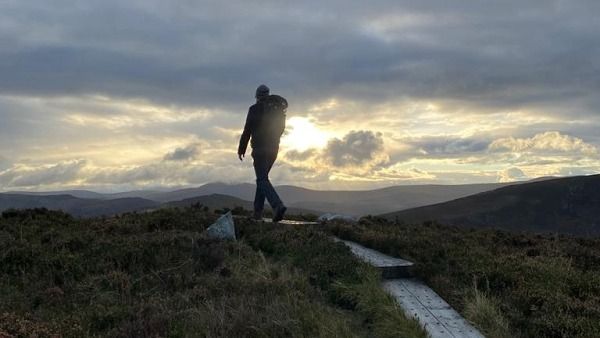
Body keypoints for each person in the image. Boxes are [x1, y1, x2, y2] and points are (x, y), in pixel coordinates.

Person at [238, 84, 288, 222]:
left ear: (257, 96)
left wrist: (241, 148)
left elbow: (247, 130)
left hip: (260, 149)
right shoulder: (278, 110)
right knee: (262, 179)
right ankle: (257, 213)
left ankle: (277, 205)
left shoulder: (254, 109)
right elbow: (281, 129)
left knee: (261, 179)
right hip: (273, 150)